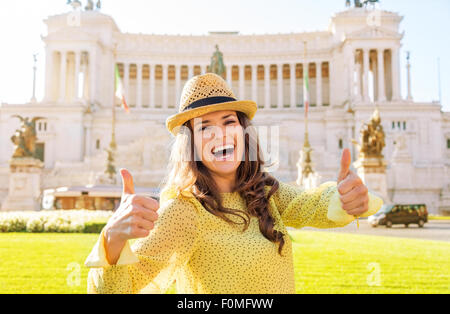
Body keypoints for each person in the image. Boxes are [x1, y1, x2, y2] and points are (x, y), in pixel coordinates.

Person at [84, 73, 382, 294]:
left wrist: (342, 199)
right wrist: (112, 240)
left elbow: (311, 205)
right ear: (190, 144)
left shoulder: (266, 193)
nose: (221, 135)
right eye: (205, 127)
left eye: (229, 122)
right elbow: (121, 288)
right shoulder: (184, 210)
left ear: (243, 131)